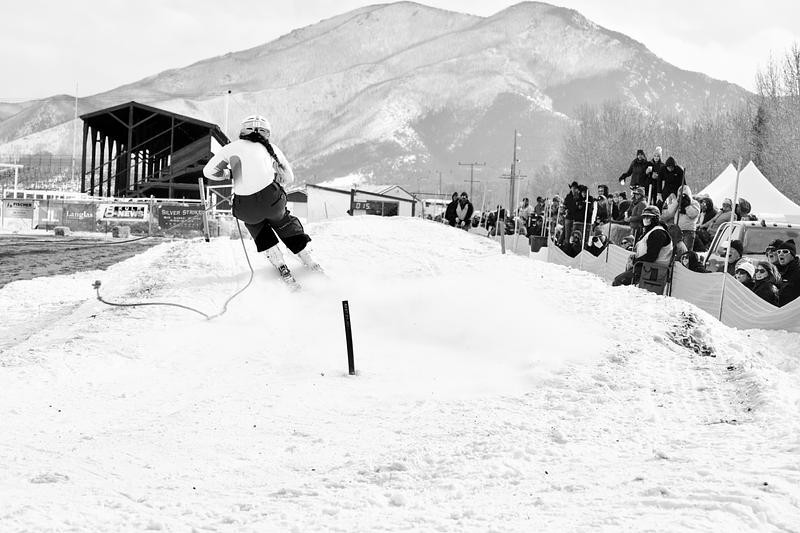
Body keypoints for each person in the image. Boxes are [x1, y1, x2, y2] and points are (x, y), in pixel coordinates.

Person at [203, 114, 319, 284]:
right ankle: (308, 258)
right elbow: (289, 177)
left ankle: (280, 264)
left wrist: (229, 173)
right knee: (284, 222)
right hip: (272, 201)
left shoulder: (231, 148)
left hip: (245, 207)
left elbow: (209, 172)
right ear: (267, 133)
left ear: (243, 131)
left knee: (256, 226)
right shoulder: (271, 148)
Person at [612, 205, 673, 286]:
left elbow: (651, 256)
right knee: (619, 280)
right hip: (646, 267)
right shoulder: (651, 231)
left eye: (649, 217)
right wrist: (635, 258)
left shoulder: (658, 233)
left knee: (618, 281)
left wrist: (636, 261)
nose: (645, 219)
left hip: (654, 270)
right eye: (644, 217)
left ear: (655, 219)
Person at [660, 185, 700, 251]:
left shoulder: (694, 203)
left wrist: (686, 205)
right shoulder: (677, 202)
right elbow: (670, 212)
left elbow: (693, 215)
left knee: (686, 252)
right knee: (676, 250)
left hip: (688, 231)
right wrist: (677, 202)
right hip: (677, 230)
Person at [776, 240, 800, 306]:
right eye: (779, 252)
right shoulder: (778, 270)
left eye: (785, 251)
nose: (781, 254)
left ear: (792, 255)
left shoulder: (797, 271)